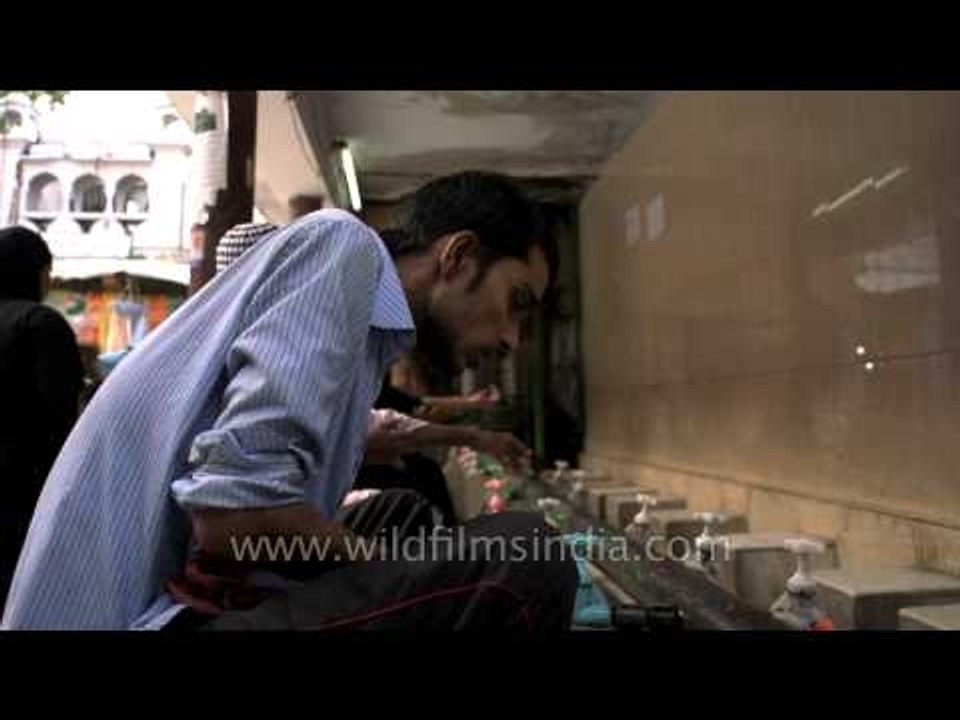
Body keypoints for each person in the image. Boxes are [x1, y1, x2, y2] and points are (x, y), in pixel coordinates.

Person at [2, 171, 574, 631]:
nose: (511, 339)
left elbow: (368, 435)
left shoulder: (364, 336)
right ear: (458, 256)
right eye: (517, 302)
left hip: (176, 599)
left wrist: (462, 443)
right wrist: (386, 567)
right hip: (146, 616)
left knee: (402, 513)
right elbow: (237, 517)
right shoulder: (341, 246)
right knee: (524, 556)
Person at [0, 227, 84, 607]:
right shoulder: (41, 324)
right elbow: (62, 417)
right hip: (25, 495)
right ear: (35, 270)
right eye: (47, 269)